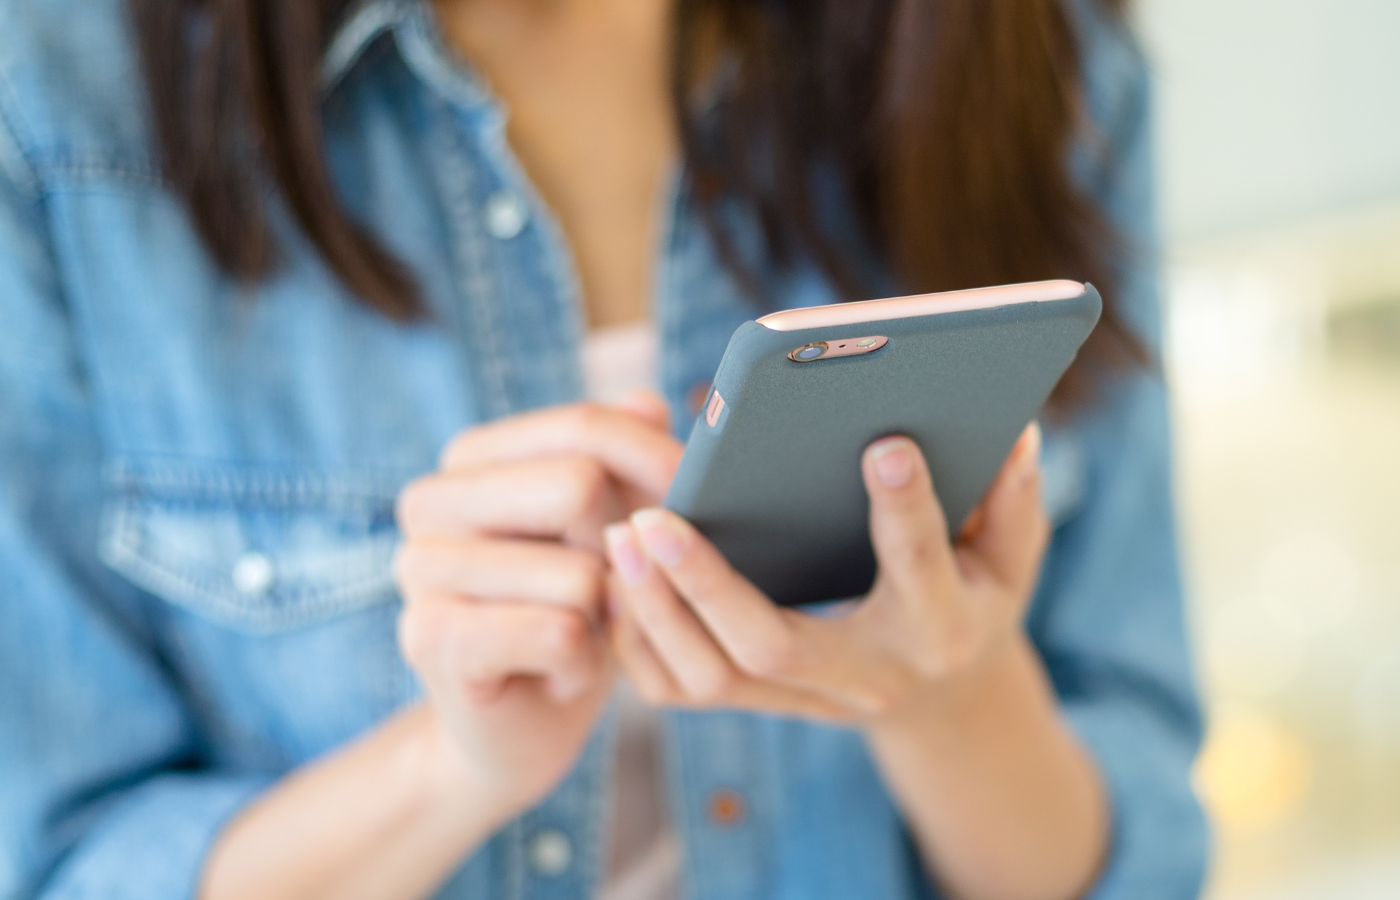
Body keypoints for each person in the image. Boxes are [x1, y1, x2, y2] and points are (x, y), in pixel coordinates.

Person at [0, 0, 1207, 898]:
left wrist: (952, 707)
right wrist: (454, 767)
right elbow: (56, 861)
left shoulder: (1031, 61)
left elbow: (1138, 849)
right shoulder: (53, 108)